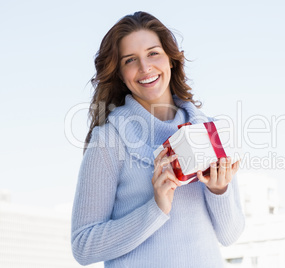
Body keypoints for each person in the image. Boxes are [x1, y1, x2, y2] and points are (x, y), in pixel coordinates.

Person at [71, 11, 245, 267]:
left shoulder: (206, 130)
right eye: (130, 60)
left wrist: (219, 190)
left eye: (153, 53)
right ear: (119, 73)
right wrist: (156, 208)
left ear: (171, 60)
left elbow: (230, 235)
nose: (145, 67)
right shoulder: (109, 139)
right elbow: (83, 246)